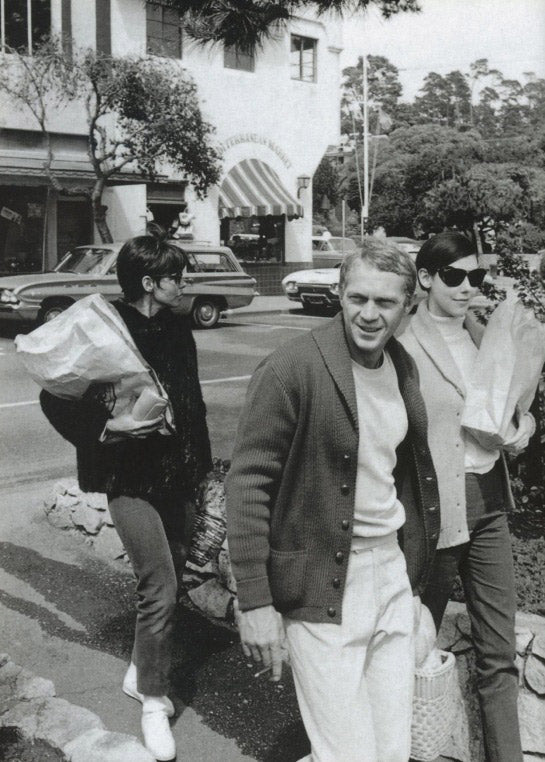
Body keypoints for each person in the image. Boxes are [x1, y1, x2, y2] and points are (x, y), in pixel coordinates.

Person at [226, 239, 440, 762]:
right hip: (321, 582)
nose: (368, 314)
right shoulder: (292, 368)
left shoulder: (402, 366)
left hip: (389, 571)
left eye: (385, 303)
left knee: (392, 748)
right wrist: (255, 602)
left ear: (407, 307)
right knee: (348, 753)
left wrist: (411, 582)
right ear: (340, 293)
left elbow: (404, 477)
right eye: (357, 298)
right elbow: (248, 484)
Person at [40, 233, 212, 761]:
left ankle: (143, 667)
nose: (184, 285)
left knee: (176, 567)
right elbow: (54, 394)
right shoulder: (101, 326)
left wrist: (202, 469)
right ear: (148, 282)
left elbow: (192, 399)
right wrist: (108, 427)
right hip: (129, 479)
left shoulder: (179, 327)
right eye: (176, 278)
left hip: (178, 475)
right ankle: (154, 704)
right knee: (157, 585)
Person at [399, 231, 534, 762]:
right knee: (412, 647)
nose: (466, 287)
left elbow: (511, 410)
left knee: (498, 655)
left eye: (475, 277)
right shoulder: (402, 343)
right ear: (427, 278)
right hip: (433, 514)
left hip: (489, 505)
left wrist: (522, 428)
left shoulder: (491, 335)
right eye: (453, 276)